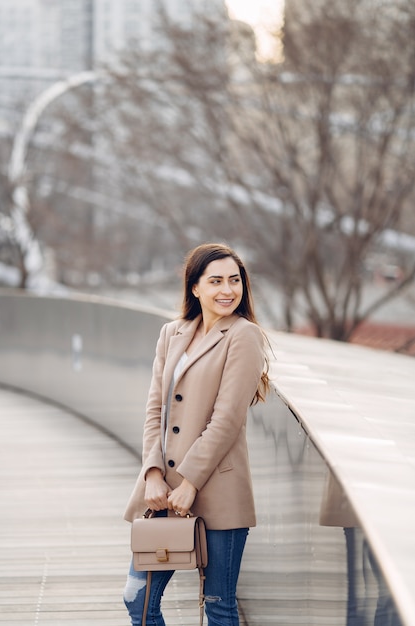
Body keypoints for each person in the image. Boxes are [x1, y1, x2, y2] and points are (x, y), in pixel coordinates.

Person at [123, 242, 270, 626]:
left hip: (219, 490)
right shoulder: (172, 333)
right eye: (216, 281)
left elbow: (227, 418)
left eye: (235, 281)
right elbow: (155, 408)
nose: (227, 290)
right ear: (195, 287)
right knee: (136, 600)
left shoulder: (244, 336)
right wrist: (152, 472)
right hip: (163, 491)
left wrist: (191, 481)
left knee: (219, 606)